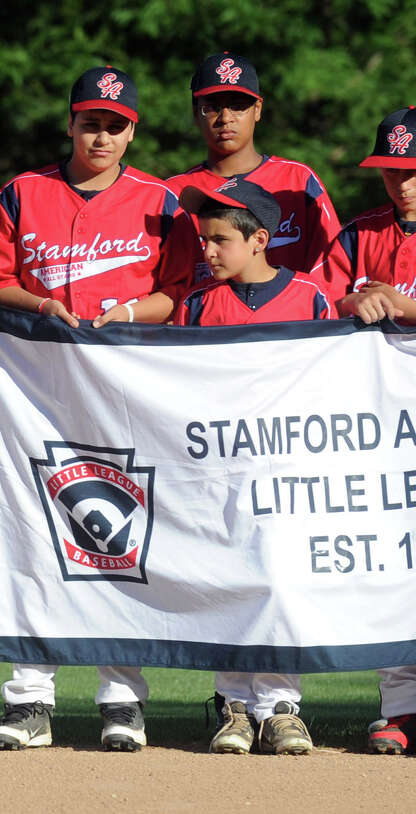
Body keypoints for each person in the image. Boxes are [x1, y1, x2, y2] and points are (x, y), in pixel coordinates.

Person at [0, 66, 195, 751]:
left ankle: (122, 699)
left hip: (125, 386)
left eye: (115, 124)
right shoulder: (23, 192)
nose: (102, 134)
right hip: (35, 389)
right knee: (32, 529)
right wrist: (43, 305)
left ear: (133, 131)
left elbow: (178, 291)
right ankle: (30, 699)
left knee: (118, 535)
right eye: (91, 121)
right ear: (70, 123)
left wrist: (126, 311)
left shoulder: (161, 200)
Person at [175, 179, 332, 755]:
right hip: (216, 471)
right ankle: (235, 706)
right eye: (204, 239)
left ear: (260, 239)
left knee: (283, 580)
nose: (207, 250)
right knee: (227, 580)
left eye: (219, 239)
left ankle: (282, 707)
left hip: (287, 468)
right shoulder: (196, 303)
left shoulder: (311, 297)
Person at [321, 106, 416, 754]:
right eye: (391, 171)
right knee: (393, 564)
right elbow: (308, 301)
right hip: (382, 424)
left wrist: (405, 306)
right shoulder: (356, 237)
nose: (401, 184)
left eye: (412, 171)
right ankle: (403, 707)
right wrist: (353, 302)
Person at [168, 52, 341, 297]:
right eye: (212, 108)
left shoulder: (297, 180)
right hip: (204, 326)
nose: (225, 118)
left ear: (257, 109)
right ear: (196, 113)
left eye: (238, 106)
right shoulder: (173, 192)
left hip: (292, 327)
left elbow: (331, 264)